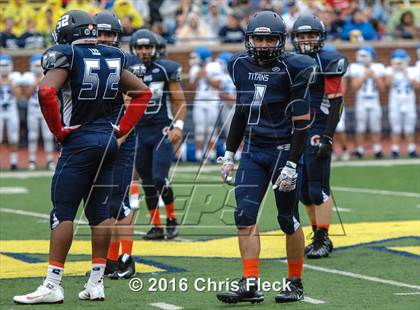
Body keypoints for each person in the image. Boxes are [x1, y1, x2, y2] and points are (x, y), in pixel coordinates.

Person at [13, 10, 152, 304]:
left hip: (80, 140)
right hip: (108, 141)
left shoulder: (67, 54)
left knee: (62, 211)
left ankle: (52, 284)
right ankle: (96, 282)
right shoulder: (114, 56)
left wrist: (59, 130)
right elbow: (142, 93)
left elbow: (46, 91)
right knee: (100, 214)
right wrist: (120, 130)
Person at [216, 11, 317, 304]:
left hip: (283, 150)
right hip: (253, 151)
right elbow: (241, 111)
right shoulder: (238, 65)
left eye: (269, 39)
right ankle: (250, 283)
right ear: (249, 39)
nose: (262, 44)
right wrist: (229, 153)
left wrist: (292, 164)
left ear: (280, 41)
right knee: (243, 217)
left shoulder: (294, 68)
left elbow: (301, 122)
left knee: (288, 219)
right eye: (258, 38)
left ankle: (295, 282)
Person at [291, 15, 348, 258]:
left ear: (320, 37)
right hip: (298, 128)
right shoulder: (290, 61)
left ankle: (323, 239)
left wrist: (328, 136)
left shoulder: (328, 60)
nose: (306, 40)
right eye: (302, 36)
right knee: (303, 191)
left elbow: (336, 103)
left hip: (318, 127)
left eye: (311, 35)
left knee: (317, 187)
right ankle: (317, 234)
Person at [93, 10, 143, 280]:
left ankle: (126, 257)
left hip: (118, 137)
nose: (104, 38)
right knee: (101, 201)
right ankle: (109, 259)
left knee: (119, 201)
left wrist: (117, 139)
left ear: (117, 36)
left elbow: (132, 106)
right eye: (100, 33)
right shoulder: (86, 60)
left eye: (109, 33)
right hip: (98, 136)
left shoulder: (126, 62)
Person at [129, 29, 187, 240]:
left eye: (147, 47)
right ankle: (156, 226)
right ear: (133, 48)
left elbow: (179, 101)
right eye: (140, 47)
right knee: (146, 181)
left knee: (159, 178)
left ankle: (171, 219)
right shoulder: (127, 70)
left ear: (154, 48)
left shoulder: (165, 69)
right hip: (139, 132)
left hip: (161, 130)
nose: (144, 51)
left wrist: (178, 126)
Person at [347, 46, 385, 159]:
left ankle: (377, 150)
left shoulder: (378, 67)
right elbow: (354, 87)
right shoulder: (355, 68)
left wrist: (374, 76)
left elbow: (382, 88)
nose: (361, 58)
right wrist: (364, 76)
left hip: (374, 100)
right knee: (360, 127)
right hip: (361, 100)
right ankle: (359, 150)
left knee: (376, 126)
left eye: (364, 55)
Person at [189, 46, 224, 162]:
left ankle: (211, 154)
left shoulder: (215, 66)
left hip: (212, 101)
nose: (194, 59)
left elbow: (219, 85)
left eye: (197, 56)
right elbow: (191, 89)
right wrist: (197, 76)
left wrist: (207, 77)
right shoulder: (194, 69)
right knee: (199, 129)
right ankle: (199, 155)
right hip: (199, 101)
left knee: (211, 129)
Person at [20, 54, 55, 170]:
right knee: (32, 136)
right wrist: (35, 83)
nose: (37, 68)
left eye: (39, 65)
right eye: (35, 65)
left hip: (45, 109)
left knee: (48, 135)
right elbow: (25, 96)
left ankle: (50, 160)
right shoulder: (28, 77)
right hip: (32, 109)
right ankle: (32, 160)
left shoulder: (49, 76)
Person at [385, 49, 419, 158]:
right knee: (396, 127)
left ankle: (411, 149)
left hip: (409, 101)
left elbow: (417, 86)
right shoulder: (390, 70)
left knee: (409, 126)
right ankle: (395, 149)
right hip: (395, 102)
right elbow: (387, 84)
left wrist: (407, 75)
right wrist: (394, 71)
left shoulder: (413, 70)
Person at [0, 54, 20, 170]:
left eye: (5, 65)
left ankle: (14, 163)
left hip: (12, 110)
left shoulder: (14, 78)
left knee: (14, 137)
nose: (3, 68)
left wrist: (11, 84)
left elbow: (19, 96)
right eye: (1, 66)